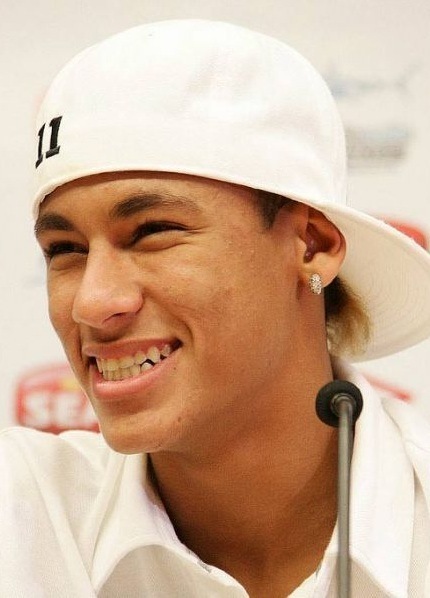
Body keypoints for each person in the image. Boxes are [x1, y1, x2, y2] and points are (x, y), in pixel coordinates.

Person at [2, 19, 430, 598]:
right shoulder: (20, 514)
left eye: (153, 231)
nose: (92, 303)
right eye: (64, 250)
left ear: (311, 245)